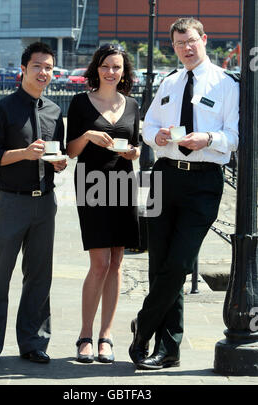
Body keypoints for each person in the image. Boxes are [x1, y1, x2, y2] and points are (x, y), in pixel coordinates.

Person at [129, 17, 239, 369]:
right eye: (179, 44)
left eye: (191, 41)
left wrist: (207, 139)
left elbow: (235, 137)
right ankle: (169, 348)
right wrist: (156, 137)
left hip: (203, 181)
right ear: (173, 46)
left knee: (178, 264)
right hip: (164, 176)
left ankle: (143, 326)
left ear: (204, 39)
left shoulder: (226, 84)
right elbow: (147, 127)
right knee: (159, 262)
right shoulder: (170, 82)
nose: (186, 49)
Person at [0, 42, 67, 365]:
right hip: (11, 203)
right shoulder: (2, 109)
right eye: (38, 66)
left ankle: (34, 342)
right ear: (23, 70)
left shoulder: (54, 111)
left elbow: (58, 151)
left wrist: (59, 162)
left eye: (49, 67)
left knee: (40, 276)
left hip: (45, 204)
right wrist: (24, 154)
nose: (44, 72)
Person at [66, 43, 140, 363]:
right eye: (106, 66)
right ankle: (85, 334)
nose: (112, 72)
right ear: (97, 67)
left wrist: (133, 153)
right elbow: (70, 151)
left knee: (117, 262)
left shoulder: (134, 104)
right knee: (99, 263)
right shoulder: (80, 103)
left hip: (124, 184)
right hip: (92, 185)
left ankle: (106, 337)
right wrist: (88, 137)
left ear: (124, 72)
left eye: (117, 67)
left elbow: (137, 148)